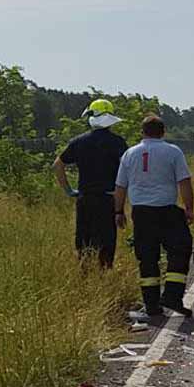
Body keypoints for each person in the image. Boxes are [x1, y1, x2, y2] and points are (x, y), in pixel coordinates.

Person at [113, 115, 194, 317]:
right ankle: (172, 295)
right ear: (163, 132)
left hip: (141, 212)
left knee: (147, 257)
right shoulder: (173, 151)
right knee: (180, 250)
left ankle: (151, 304)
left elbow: (120, 186)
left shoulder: (129, 154)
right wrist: (189, 208)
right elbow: (184, 182)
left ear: (142, 132)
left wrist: (118, 211)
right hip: (166, 210)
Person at [53, 99, 128, 268]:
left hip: (85, 199)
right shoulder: (118, 142)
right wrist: (120, 208)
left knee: (84, 244)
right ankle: (104, 275)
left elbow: (58, 165)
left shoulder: (79, 141)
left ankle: (85, 275)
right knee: (106, 244)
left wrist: (69, 190)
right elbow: (127, 171)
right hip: (108, 199)